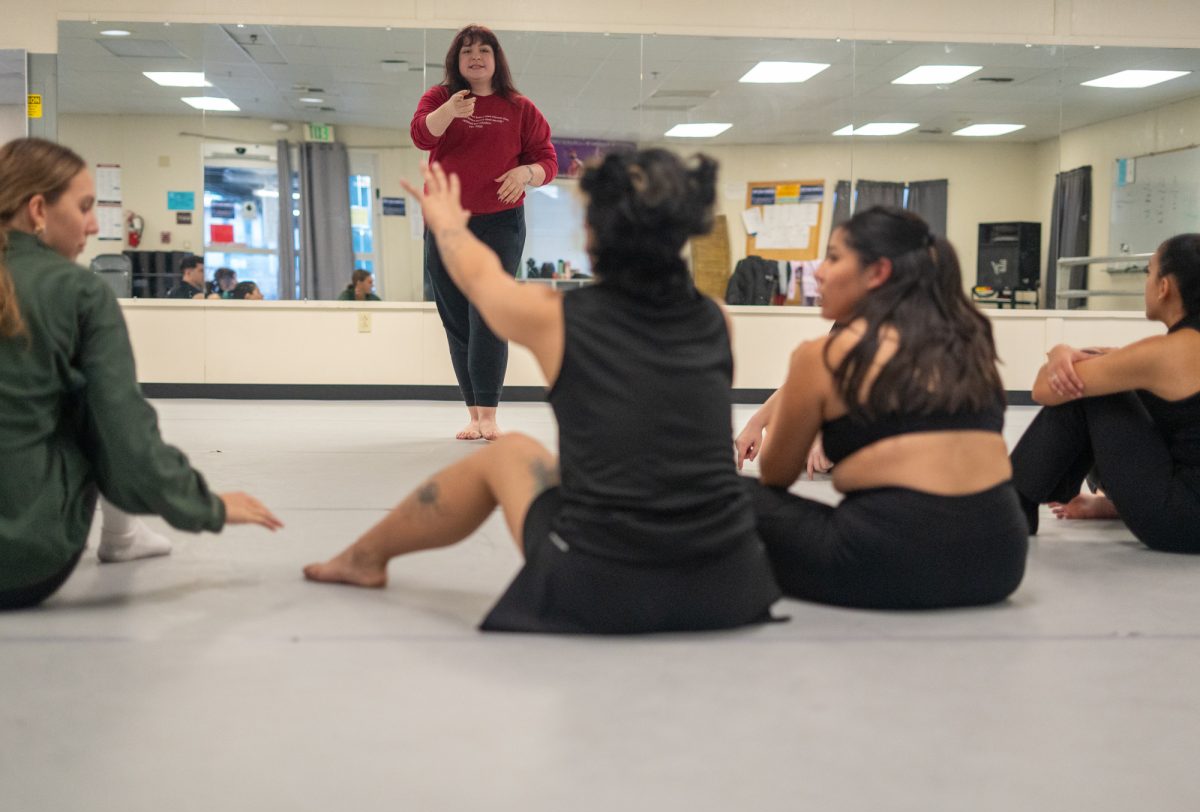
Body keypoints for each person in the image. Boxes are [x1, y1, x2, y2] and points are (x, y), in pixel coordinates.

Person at [305, 150, 780, 634]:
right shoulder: (715, 321)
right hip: (728, 580)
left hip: (603, 585)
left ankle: (363, 558)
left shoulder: (558, 317)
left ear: (594, 234)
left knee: (508, 452)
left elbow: (479, 278)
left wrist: (446, 224)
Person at [0, 138, 283, 611]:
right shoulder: (79, 291)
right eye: (85, 207)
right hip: (24, 562)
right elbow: (126, 438)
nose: (93, 224)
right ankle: (122, 536)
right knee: (96, 405)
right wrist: (207, 505)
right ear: (37, 210)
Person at [747, 206, 1027, 609]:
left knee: (724, 492)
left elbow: (775, 476)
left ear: (877, 273)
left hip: (893, 565)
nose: (819, 272)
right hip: (1001, 562)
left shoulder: (825, 354)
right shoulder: (969, 344)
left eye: (833, 257)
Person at [410, 23, 558, 441]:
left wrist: (526, 172)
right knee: (456, 318)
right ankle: (473, 413)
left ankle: (490, 413)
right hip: (446, 222)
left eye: (484, 51)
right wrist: (449, 112)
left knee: (488, 316)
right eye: (467, 51)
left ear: (496, 60)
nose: (475, 57)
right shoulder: (440, 98)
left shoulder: (520, 106)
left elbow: (548, 159)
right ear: (456, 61)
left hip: (500, 223)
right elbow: (421, 135)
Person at [1009, 233, 1200, 552]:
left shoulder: (1168, 353)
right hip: (1187, 502)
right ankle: (1110, 505)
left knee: (1095, 391)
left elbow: (1043, 390)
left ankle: (1012, 503)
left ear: (1164, 287)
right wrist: (1064, 351)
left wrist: (1059, 354)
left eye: (1149, 272)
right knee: (1117, 383)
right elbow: (1118, 358)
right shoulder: (1174, 352)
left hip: (1181, 521)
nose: (1147, 282)